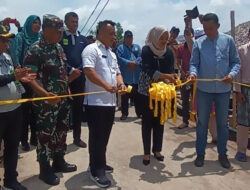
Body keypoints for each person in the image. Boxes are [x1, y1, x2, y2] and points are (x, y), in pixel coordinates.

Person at [23, 14, 77, 186]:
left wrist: (67, 85)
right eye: (57, 31)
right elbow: (30, 78)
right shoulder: (35, 49)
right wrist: (45, 94)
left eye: (61, 31)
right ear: (46, 31)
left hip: (62, 99)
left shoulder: (59, 48)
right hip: (45, 102)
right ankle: (44, 168)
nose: (60, 34)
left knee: (61, 131)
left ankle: (59, 160)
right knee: (45, 134)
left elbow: (61, 72)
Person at [188, 13, 241, 169]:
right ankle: (200, 154)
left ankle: (222, 154)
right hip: (204, 90)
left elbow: (236, 62)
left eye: (210, 28)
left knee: (223, 124)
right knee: (202, 123)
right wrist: (193, 73)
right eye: (205, 28)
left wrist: (231, 75)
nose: (208, 31)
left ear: (218, 26)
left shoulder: (228, 41)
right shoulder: (199, 43)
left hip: (224, 91)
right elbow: (194, 64)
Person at [82, 20, 126, 188]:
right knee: (97, 137)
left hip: (110, 103)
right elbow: (88, 71)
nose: (114, 37)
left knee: (104, 136)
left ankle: (99, 162)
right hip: (95, 102)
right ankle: (96, 171)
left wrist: (120, 84)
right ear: (100, 33)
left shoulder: (112, 53)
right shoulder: (91, 49)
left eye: (115, 34)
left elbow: (118, 72)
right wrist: (106, 86)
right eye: (111, 33)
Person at [0, 25, 36, 190]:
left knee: (12, 147)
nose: (7, 43)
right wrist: (14, 76)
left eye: (7, 40)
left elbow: (13, 76)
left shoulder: (7, 57)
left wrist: (22, 78)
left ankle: (10, 180)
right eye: (3, 40)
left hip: (13, 110)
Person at [138, 26, 176, 166]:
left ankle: (157, 150)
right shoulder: (146, 50)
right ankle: (146, 152)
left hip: (162, 92)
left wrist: (170, 80)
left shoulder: (169, 52)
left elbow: (170, 70)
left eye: (166, 38)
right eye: (161, 38)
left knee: (160, 121)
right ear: (155, 37)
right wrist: (165, 76)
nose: (164, 41)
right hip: (147, 91)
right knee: (147, 122)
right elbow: (147, 69)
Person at [10, 15, 41, 151]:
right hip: (23, 79)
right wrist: (20, 71)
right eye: (34, 23)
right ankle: (23, 139)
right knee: (25, 111)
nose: (37, 25)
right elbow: (15, 55)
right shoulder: (20, 37)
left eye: (39, 23)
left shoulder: (40, 39)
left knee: (36, 110)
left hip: (37, 78)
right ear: (28, 23)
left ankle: (34, 136)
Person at [60, 12, 88, 148]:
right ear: (66, 23)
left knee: (78, 109)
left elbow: (86, 58)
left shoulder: (83, 39)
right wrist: (71, 70)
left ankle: (77, 138)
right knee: (63, 110)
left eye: (76, 22)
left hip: (80, 78)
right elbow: (60, 57)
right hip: (65, 78)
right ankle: (61, 140)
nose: (75, 24)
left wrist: (79, 70)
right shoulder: (60, 38)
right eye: (72, 22)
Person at [116, 30, 142, 120]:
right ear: (124, 38)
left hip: (136, 77)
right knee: (124, 97)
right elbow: (119, 58)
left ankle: (139, 113)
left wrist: (135, 63)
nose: (129, 38)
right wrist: (128, 63)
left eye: (131, 37)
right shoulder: (120, 48)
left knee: (138, 97)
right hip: (126, 78)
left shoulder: (137, 47)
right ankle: (124, 113)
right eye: (127, 37)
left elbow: (140, 57)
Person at [234, 28, 250, 162]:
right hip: (245, 90)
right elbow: (237, 72)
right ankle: (241, 151)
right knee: (243, 122)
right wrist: (237, 91)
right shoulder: (241, 50)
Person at [176, 27, 194, 129]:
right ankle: (185, 121)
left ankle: (199, 121)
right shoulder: (180, 48)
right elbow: (178, 62)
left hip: (195, 78)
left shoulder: (196, 48)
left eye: (189, 35)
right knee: (185, 100)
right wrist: (181, 71)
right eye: (186, 34)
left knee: (197, 100)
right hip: (184, 78)